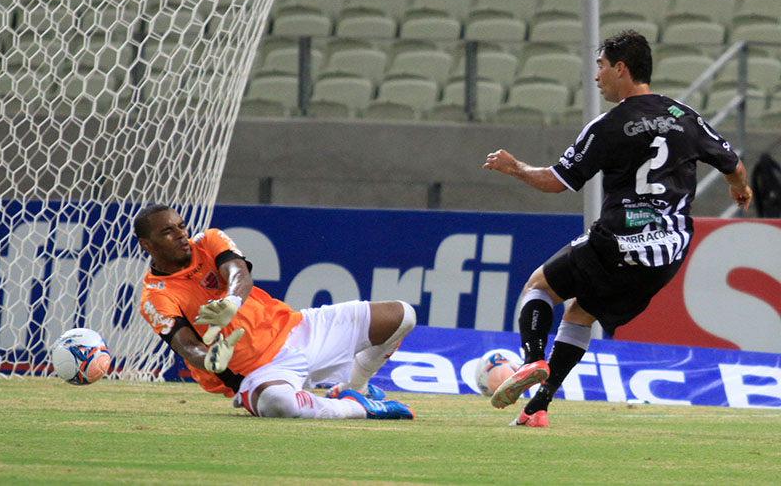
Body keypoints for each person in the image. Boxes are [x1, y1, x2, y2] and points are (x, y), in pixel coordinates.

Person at [482, 30, 753, 428]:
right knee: (580, 314)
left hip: (617, 242)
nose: (597, 76)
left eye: (602, 66)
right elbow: (735, 166)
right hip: (666, 254)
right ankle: (537, 406)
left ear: (621, 68)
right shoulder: (685, 116)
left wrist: (515, 167)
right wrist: (739, 189)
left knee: (538, 287)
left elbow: (557, 181)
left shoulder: (608, 125)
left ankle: (532, 360)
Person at [134, 204, 416, 420]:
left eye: (181, 226)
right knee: (279, 404)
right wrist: (210, 360)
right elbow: (186, 346)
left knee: (402, 315)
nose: (181, 235)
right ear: (146, 244)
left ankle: (356, 387)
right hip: (257, 371)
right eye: (168, 232)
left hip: (297, 329)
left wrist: (231, 302)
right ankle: (359, 408)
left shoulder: (208, 240)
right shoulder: (156, 296)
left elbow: (238, 272)